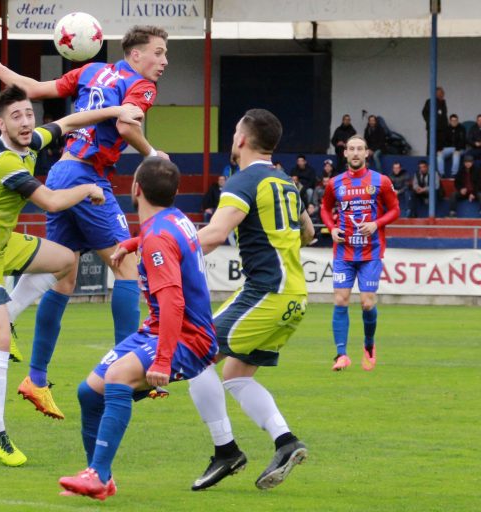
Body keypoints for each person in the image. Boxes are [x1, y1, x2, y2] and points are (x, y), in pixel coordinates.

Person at [0, 25, 170, 417]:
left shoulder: (93, 70)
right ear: (135, 55)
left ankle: (37, 378)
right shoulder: (142, 86)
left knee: (65, 275)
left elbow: (36, 88)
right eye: (159, 53)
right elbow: (126, 124)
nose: (163, 63)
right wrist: (153, 154)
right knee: (128, 267)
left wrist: (2, 71)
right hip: (85, 178)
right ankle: (127, 370)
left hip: (61, 172)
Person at [0, 85, 144, 467]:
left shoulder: (33, 139)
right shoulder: (6, 163)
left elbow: (69, 121)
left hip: (2, 243)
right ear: (0, 123)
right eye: (15, 116)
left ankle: (12, 315)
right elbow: (51, 201)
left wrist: (115, 109)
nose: (25, 122)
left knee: (66, 259)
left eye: (28, 114)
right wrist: (88, 188)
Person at [58, 157, 218, 500]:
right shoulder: (172, 219)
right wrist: (132, 244)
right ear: (175, 192)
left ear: (136, 189)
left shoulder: (158, 235)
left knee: (116, 378)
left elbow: (174, 302)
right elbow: (164, 239)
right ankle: (98, 475)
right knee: (89, 393)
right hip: (161, 330)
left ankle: (98, 476)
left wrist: (162, 361)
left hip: (186, 338)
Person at [186, 108, 315, 492]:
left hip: (267, 292)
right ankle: (285, 441)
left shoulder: (243, 180)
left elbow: (213, 234)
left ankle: (226, 451)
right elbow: (307, 233)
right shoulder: (286, 183)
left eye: (234, 134)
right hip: (294, 297)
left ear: (241, 140)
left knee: (193, 354)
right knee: (235, 375)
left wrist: (162, 248)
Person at [320, 135, 400, 371]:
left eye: (359, 149)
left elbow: (395, 210)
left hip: (371, 251)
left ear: (367, 153)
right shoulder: (335, 183)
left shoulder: (380, 181)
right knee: (340, 300)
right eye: (351, 149)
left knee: (366, 303)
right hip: (344, 251)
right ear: (344, 153)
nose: (355, 153)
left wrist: (377, 224)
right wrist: (332, 228)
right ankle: (341, 355)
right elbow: (325, 208)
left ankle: (369, 345)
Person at [422, 86, 449, 154]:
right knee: (431, 145)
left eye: (443, 93)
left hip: (443, 129)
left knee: (442, 146)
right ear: (436, 93)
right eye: (440, 93)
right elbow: (424, 113)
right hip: (433, 128)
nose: (442, 94)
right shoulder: (430, 101)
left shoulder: (443, 102)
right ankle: (429, 160)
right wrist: (430, 122)